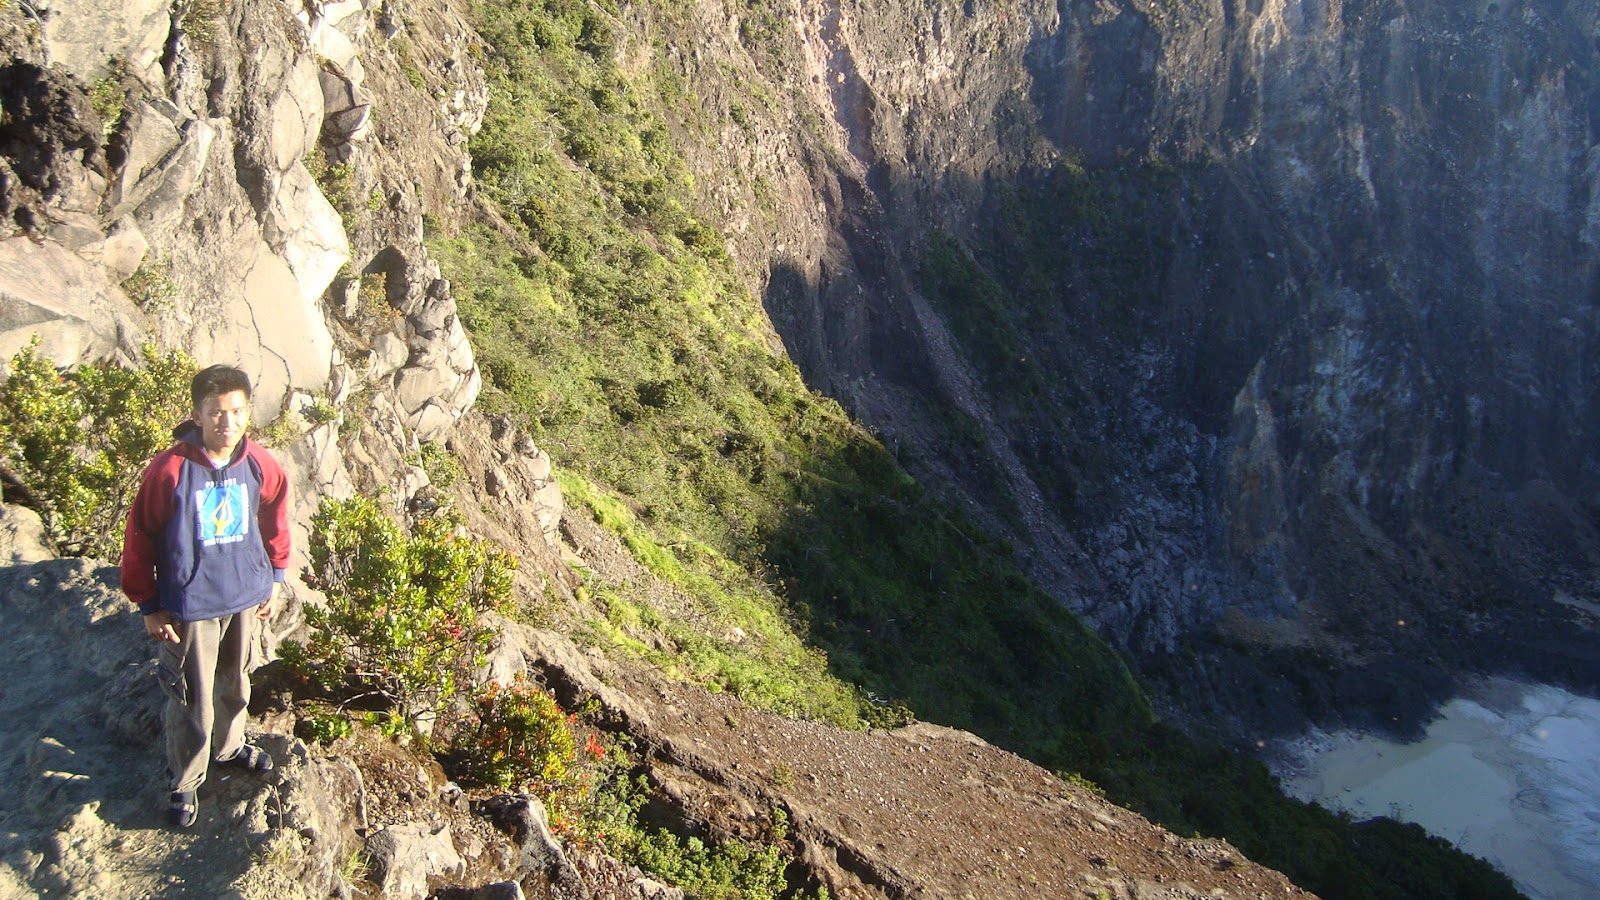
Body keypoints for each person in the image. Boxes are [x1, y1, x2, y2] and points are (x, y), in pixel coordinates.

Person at [121, 364, 290, 828]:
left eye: (236, 411)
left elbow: (275, 514)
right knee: (192, 695)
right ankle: (186, 779)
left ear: (247, 413)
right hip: (190, 604)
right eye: (217, 413)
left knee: (236, 681)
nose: (227, 422)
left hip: (244, 596)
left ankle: (230, 745)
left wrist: (274, 575)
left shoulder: (259, 462)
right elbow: (141, 537)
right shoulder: (170, 470)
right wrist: (149, 605)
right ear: (197, 414)